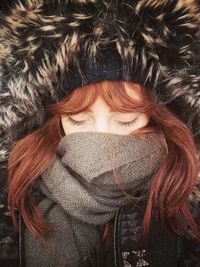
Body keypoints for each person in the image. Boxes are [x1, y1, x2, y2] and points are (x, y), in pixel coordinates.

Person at [0, 0, 200, 266]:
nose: (100, 139)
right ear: (53, 118)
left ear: (158, 116)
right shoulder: (13, 190)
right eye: (78, 119)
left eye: (127, 121)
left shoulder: (186, 197)